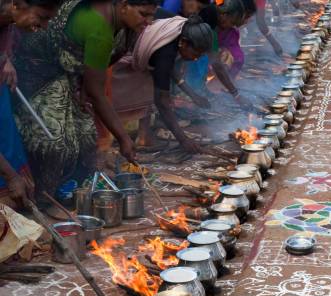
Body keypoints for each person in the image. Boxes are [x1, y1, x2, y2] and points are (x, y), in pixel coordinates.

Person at [13, 0, 159, 199]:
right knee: (56, 142)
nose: (148, 22)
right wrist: (124, 138)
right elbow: (97, 92)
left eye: (152, 15)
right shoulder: (100, 29)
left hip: (68, 72)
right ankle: (42, 197)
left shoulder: (123, 26)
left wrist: (83, 83)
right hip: (38, 71)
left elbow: (92, 72)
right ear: (124, 5)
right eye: (143, 14)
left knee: (86, 135)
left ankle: (76, 192)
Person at [112, 15, 213, 153]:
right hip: (116, 53)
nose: (196, 58)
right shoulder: (166, 50)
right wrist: (183, 140)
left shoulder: (182, 29)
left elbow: (167, 68)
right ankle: (114, 143)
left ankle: (143, 136)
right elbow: (162, 101)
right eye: (196, 53)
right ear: (183, 42)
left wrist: (193, 95)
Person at [0, 0, 61, 207]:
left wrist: (5, 59)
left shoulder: (8, 21)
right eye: (42, 17)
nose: (44, 26)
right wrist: (10, 178)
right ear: (16, 4)